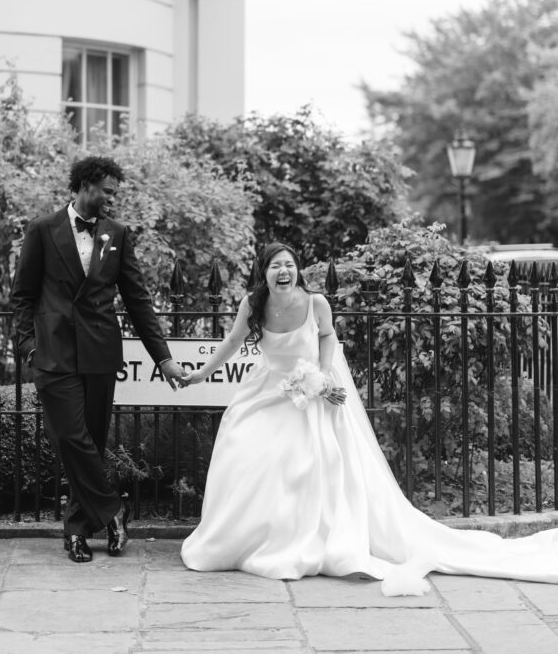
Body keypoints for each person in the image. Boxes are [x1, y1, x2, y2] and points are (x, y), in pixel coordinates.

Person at [180, 242, 558, 594]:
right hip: (267, 391)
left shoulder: (315, 303)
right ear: (263, 273)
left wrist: (322, 376)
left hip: (313, 393)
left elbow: (327, 337)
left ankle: (304, 540)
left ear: (297, 271)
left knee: (305, 463)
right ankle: (251, 538)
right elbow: (232, 341)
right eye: (276, 266)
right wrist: (201, 373)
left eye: (289, 265)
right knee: (244, 450)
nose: (284, 271)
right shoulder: (252, 304)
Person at [12, 155, 186, 563]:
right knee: (70, 438)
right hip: (53, 354)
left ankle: (76, 531)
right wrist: (28, 347)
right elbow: (22, 295)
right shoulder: (42, 229)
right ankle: (113, 511)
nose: (112, 198)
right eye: (107, 191)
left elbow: (138, 300)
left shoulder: (118, 234)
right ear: (85, 185)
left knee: (89, 442)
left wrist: (162, 359)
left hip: (99, 353)